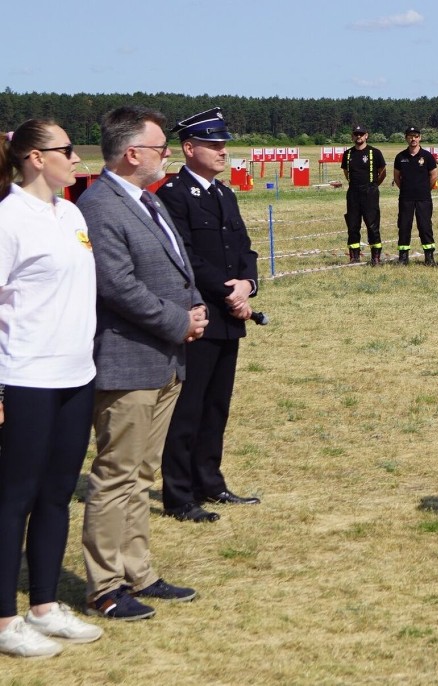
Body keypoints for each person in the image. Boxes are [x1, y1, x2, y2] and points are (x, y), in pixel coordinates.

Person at [77, 106, 208, 620]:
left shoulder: (146, 202)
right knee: (116, 474)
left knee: (141, 473)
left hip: (163, 359)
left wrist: (193, 306)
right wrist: (180, 321)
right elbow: (117, 286)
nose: (167, 155)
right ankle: (105, 587)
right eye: (160, 148)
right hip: (128, 361)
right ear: (133, 154)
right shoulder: (101, 207)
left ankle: (139, 571)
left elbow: (177, 265)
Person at [0, 120, 103, 657]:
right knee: (13, 497)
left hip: (75, 375)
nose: (76, 158)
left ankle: (43, 606)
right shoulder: (8, 218)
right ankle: (3, 620)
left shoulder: (72, 212)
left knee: (57, 494)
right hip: (25, 377)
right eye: (67, 150)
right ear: (37, 158)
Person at [157, 108, 260, 524]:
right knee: (189, 408)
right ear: (189, 148)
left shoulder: (223, 193)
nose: (223, 151)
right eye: (214, 145)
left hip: (230, 316)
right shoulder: (173, 195)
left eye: (224, 144)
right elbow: (187, 258)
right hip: (198, 316)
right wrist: (227, 290)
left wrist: (247, 285)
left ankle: (209, 481)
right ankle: (179, 494)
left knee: (217, 406)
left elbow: (244, 249)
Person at [393, 126, 438, 266]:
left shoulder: (427, 156)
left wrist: (424, 189)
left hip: (423, 198)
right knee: (404, 226)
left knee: (425, 227)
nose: (413, 139)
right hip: (406, 198)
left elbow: (433, 176)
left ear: (420, 138)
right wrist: (407, 189)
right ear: (406, 138)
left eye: (416, 136)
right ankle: (403, 257)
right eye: (410, 136)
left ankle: (429, 257)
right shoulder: (400, 157)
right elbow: (397, 178)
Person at [342, 125, 386, 265]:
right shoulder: (348, 154)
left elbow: (382, 172)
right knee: (353, 225)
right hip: (353, 192)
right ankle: (354, 256)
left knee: (372, 225)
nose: (358, 136)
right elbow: (346, 173)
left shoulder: (375, 152)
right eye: (356, 134)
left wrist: (373, 186)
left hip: (370, 192)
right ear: (352, 136)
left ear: (366, 135)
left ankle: (376, 257)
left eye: (361, 134)